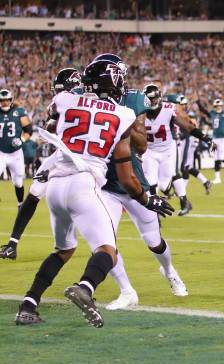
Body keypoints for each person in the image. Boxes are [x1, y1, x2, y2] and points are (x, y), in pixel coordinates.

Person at [15, 59, 173, 327]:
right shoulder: (122, 115)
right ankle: (86, 288)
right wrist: (149, 199)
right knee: (107, 251)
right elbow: (126, 176)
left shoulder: (64, 98)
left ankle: (28, 304)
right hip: (83, 184)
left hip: (55, 185)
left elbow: (52, 120)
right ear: (113, 84)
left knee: (63, 250)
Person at [0, 68, 81, 260]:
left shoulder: (68, 103)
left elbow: (51, 127)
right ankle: (12, 244)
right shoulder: (77, 103)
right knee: (34, 193)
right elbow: (50, 127)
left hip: (83, 160)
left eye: (61, 89)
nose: (58, 93)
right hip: (64, 155)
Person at [142, 84, 211, 216]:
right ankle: (155, 213)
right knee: (150, 182)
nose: (152, 102)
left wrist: (205, 137)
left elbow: (187, 126)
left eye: (154, 99)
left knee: (164, 183)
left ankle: (182, 200)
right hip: (150, 150)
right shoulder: (139, 112)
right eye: (149, 99)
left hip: (168, 148)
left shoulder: (169, 109)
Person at [0, 88, 33, 207]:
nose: (4, 103)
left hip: (16, 152)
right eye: (2, 100)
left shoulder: (19, 112)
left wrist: (21, 140)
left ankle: (20, 205)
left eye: (6, 100)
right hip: (1, 152)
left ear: (11, 100)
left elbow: (29, 130)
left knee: (18, 181)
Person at [198, 98, 224, 184]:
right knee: (217, 158)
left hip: (223, 138)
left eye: (220, 106)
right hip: (215, 137)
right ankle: (217, 178)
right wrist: (198, 102)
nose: (218, 107)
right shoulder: (212, 113)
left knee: (222, 157)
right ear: (214, 106)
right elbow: (204, 111)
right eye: (217, 106)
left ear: (222, 106)